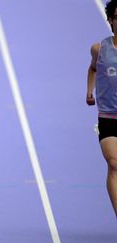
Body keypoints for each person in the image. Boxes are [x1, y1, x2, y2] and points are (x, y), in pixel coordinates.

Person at [87, 0, 117, 217]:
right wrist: (90, 91)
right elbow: (93, 68)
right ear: (111, 20)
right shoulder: (100, 48)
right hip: (108, 116)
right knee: (114, 163)